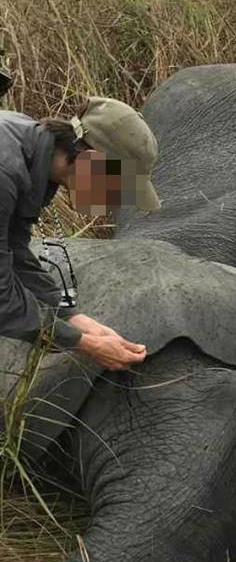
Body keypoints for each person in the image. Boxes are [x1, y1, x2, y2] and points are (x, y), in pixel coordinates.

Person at [0, 97, 161, 370]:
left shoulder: (31, 147)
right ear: (89, 160)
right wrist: (84, 343)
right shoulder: (5, 171)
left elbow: (14, 250)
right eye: (116, 187)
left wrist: (71, 316)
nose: (113, 201)